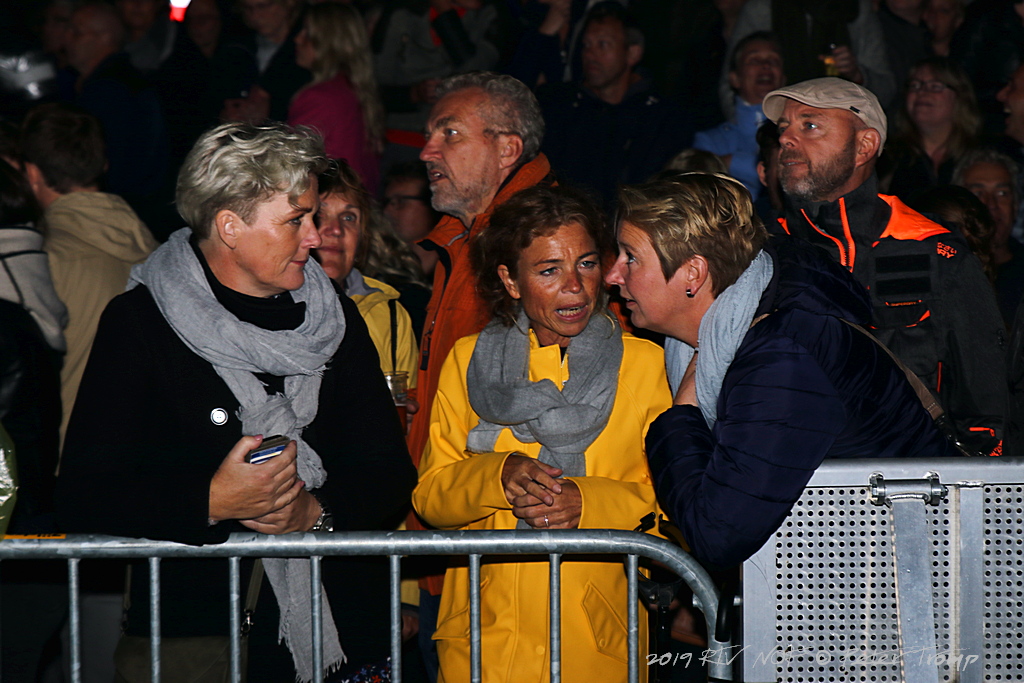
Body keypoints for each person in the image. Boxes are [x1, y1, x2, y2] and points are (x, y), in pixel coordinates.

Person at [55, 122, 417, 682]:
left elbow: (388, 470)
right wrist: (210, 501)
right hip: (201, 636)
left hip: (340, 632)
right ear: (230, 226)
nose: (315, 237)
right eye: (296, 220)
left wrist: (316, 513)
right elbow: (86, 493)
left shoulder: (336, 317)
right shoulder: (141, 324)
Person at [604, 173, 955, 569]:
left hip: (905, 580)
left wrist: (682, 417)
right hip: (869, 573)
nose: (613, 276)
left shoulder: (780, 357)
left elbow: (716, 535)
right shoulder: (750, 332)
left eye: (631, 257)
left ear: (693, 274)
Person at [412, 184, 671, 682]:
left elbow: (675, 508)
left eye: (587, 264)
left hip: (594, 648)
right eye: (549, 270)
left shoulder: (645, 365)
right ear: (510, 280)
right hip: (483, 648)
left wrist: (588, 504)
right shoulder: (468, 362)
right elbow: (431, 497)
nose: (575, 287)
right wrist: (498, 476)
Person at [763, 77, 1007, 457]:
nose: (786, 139)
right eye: (783, 128)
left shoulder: (932, 250)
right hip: (795, 476)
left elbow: (985, 398)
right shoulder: (763, 252)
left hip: (915, 478)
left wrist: (975, 472)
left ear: (864, 146)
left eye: (809, 125)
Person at [409, 70, 553, 681]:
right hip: (457, 530)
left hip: (507, 544)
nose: (426, 151)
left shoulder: (542, 242)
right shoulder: (467, 240)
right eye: (429, 134)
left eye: (449, 134)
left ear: (507, 148)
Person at [20, 102, 158, 446]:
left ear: (32, 174)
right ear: (103, 165)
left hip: (68, 453)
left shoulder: (41, 261)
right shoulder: (157, 251)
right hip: (143, 447)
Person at [537, 1, 694, 206]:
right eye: (586, 45)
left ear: (632, 53)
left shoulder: (663, 119)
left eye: (603, 44)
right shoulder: (561, 106)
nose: (590, 54)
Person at [313, 159, 419, 395]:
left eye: (349, 217)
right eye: (320, 214)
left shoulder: (390, 314)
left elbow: (406, 402)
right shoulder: (266, 306)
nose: (336, 229)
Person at [290, 3, 385, 194]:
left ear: (329, 42)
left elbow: (293, 163)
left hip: (331, 200)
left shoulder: (321, 97)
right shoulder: (357, 90)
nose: (297, 39)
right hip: (356, 201)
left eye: (307, 33)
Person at [694, 31, 785, 202]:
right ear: (735, 79)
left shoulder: (795, 134)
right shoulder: (710, 141)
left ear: (784, 78)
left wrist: (730, 161)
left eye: (774, 61)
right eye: (754, 60)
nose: (766, 65)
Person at [877, 57, 981, 201]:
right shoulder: (888, 155)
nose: (922, 92)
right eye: (915, 85)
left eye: (935, 86)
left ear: (960, 96)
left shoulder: (980, 155)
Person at [952, 148, 1024, 325]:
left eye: (1002, 193)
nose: (991, 204)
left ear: (1016, 205)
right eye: (978, 193)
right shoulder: (946, 270)